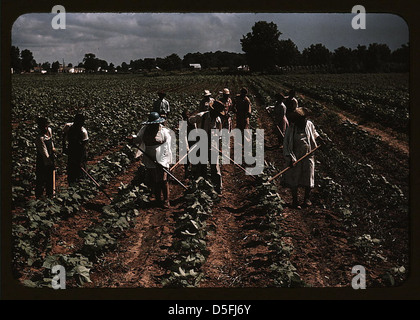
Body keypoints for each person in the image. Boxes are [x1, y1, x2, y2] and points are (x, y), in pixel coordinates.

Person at [132, 111, 173, 208]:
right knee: (155, 180)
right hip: (149, 157)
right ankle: (158, 199)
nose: (154, 126)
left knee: (163, 179)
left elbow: (168, 148)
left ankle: (166, 200)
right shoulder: (145, 129)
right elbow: (138, 139)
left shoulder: (164, 132)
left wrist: (163, 161)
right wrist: (131, 139)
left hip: (162, 156)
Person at [283, 107, 320, 209]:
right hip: (296, 156)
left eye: (303, 119)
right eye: (300, 120)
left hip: (309, 155)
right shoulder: (291, 129)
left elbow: (315, 134)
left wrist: (321, 140)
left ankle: (306, 199)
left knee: (309, 176)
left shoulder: (309, 125)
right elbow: (286, 144)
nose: (303, 121)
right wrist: (289, 158)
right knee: (295, 177)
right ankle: (295, 201)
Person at [188, 100, 224, 194]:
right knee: (201, 167)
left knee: (215, 168)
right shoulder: (201, 116)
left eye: (218, 113)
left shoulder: (218, 120)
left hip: (213, 146)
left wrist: (217, 146)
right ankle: (200, 188)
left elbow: (219, 135)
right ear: (212, 110)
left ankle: (218, 189)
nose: (217, 114)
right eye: (216, 112)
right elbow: (190, 120)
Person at [62, 113, 89, 184]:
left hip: (80, 151)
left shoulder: (83, 132)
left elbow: (83, 146)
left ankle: (81, 183)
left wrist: (80, 161)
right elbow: (63, 137)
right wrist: (64, 148)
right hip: (71, 149)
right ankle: (71, 183)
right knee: (71, 169)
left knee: (80, 169)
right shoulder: (68, 126)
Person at [35, 117, 56, 198]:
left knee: (50, 179)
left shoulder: (49, 131)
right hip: (42, 160)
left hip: (50, 158)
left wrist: (54, 150)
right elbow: (44, 152)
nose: (45, 128)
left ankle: (50, 195)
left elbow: (51, 142)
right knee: (41, 179)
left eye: (46, 126)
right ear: (39, 127)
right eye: (43, 127)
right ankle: (39, 197)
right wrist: (49, 162)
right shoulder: (39, 138)